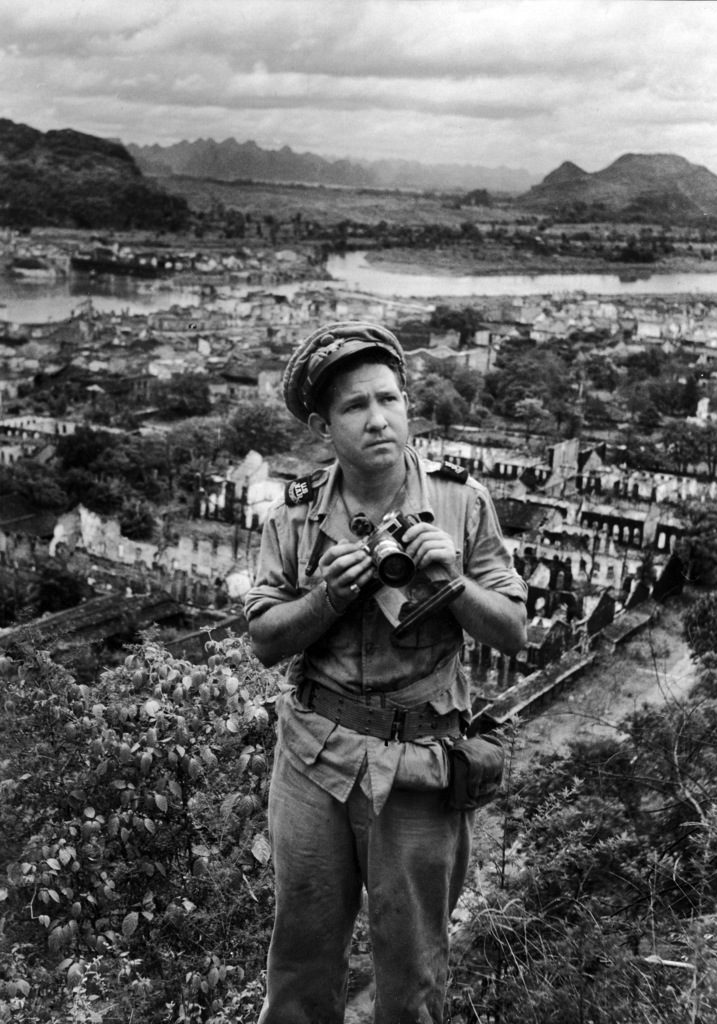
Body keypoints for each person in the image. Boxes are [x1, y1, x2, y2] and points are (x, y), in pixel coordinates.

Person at [245, 321, 527, 1024]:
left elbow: (515, 632)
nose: (379, 420)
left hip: (418, 766)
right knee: (301, 966)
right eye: (355, 406)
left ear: (407, 404)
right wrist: (329, 596)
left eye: (390, 399)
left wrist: (452, 580)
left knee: (413, 976)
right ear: (322, 423)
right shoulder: (299, 514)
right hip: (313, 756)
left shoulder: (463, 503)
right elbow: (264, 640)